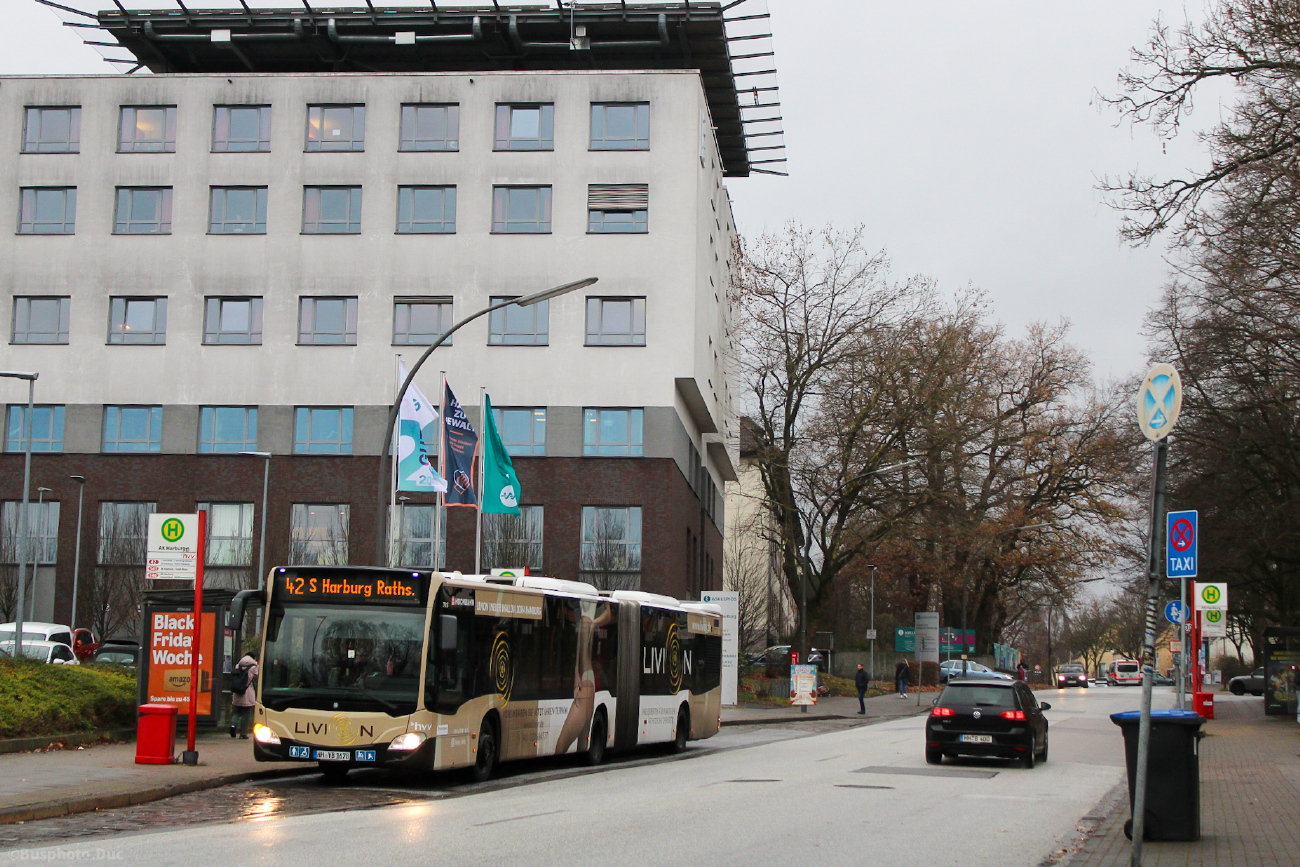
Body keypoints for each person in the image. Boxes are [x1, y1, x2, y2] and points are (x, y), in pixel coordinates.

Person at [230, 652, 258, 739]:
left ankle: (233, 725)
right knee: (246, 714)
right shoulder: (254, 667)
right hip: (247, 693)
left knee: (236, 712)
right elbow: (258, 677)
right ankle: (243, 733)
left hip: (237, 692)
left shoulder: (238, 665)